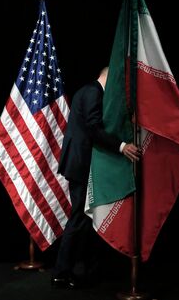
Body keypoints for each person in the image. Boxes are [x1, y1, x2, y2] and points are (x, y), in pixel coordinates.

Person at [51, 66, 140, 289]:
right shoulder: (93, 92)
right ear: (107, 77)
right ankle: (61, 272)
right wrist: (121, 146)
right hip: (80, 164)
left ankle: (82, 269)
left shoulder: (89, 91)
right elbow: (93, 128)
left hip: (81, 163)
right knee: (79, 219)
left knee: (83, 220)